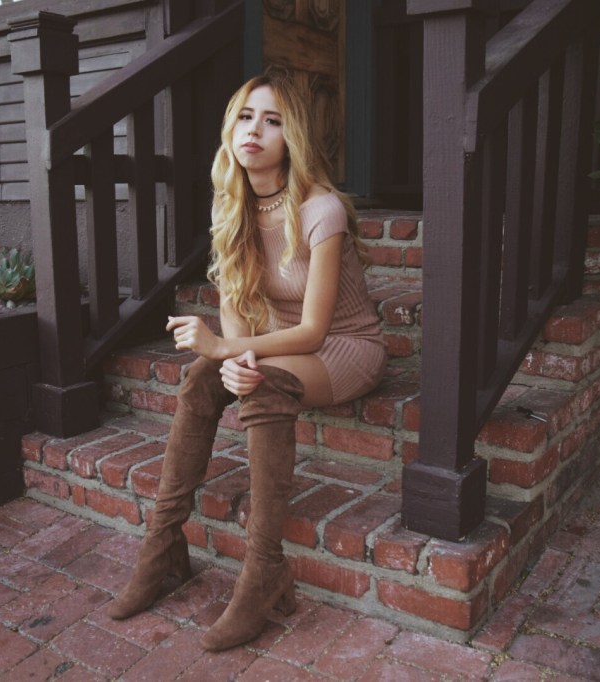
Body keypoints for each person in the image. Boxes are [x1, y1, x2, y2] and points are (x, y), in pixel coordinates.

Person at [105, 70, 387, 652]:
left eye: (272, 120)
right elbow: (234, 303)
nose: (254, 130)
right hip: (280, 343)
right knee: (204, 377)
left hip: (345, 347)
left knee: (260, 383)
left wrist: (230, 350)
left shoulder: (322, 209)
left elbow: (315, 330)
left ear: (292, 137)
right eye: (245, 116)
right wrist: (231, 356)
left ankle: (264, 570)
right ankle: (163, 544)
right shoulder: (231, 204)